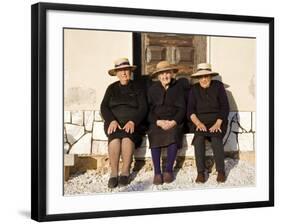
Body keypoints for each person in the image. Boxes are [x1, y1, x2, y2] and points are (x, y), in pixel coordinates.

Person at [100, 58, 147, 188]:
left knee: (127, 138)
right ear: (116, 73)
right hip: (114, 123)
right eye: (120, 71)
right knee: (114, 139)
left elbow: (143, 107)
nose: (124, 73)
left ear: (130, 71)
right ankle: (114, 173)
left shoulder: (138, 87)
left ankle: (125, 172)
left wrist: (133, 121)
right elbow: (104, 107)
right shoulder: (111, 88)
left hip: (133, 124)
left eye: (126, 70)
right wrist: (111, 120)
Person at [187, 63, 230, 183]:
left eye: (206, 76)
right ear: (198, 78)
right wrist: (198, 123)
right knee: (199, 139)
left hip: (217, 120)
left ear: (210, 77)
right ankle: (201, 172)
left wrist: (218, 123)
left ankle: (221, 170)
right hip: (200, 122)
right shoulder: (194, 89)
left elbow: (225, 107)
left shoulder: (218, 86)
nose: (204, 79)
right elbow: (190, 110)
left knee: (216, 138)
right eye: (201, 77)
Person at [147, 61, 186, 185]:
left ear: (172, 74)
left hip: (173, 120)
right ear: (158, 76)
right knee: (153, 133)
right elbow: (148, 109)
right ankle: (157, 172)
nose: (165, 76)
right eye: (162, 74)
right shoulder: (153, 89)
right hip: (157, 121)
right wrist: (158, 121)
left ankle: (168, 170)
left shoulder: (178, 88)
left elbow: (182, 109)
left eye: (167, 73)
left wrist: (174, 122)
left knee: (174, 134)